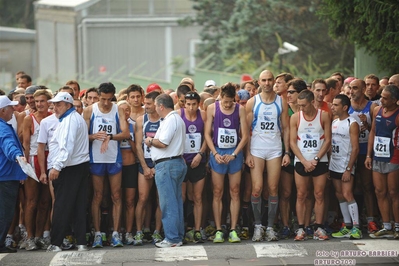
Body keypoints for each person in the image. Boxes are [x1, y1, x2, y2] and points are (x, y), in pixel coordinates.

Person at [83, 82, 130, 248]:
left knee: (116, 196)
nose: (105, 102)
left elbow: (125, 133)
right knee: (97, 196)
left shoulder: (118, 109)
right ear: (98, 95)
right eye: (102, 99)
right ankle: (97, 233)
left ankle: (115, 233)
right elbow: (83, 136)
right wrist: (94, 136)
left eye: (108, 99)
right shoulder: (89, 110)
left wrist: (110, 136)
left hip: (113, 157)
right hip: (96, 158)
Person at [245, 70, 290, 242]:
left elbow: (286, 128)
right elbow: (246, 131)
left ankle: (270, 227)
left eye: (270, 80)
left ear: (273, 81)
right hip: (257, 149)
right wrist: (247, 153)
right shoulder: (252, 102)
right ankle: (258, 226)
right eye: (263, 80)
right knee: (256, 188)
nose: (267, 83)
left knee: (273, 188)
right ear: (259, 83)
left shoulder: (281, 101)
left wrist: (287, 152)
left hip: (275, 149)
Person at [44, 92, 90, 252]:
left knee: (62, 205)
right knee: (78, 205)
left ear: (68, 105)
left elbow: (66, 147)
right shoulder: (74, 118)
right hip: (79, 166)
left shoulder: (69, 121)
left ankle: (56, 243)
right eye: (54, 104)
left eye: (58, 104)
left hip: (68, 168)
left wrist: (57, 166)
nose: (54, 107)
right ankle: (81, 242)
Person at [204, 82, 249, 244]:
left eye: (231, 101)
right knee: (217, 192)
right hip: (218, 153)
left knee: (235, 191)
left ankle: (233, 229)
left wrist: (235, 154)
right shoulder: (212, 109)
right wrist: (214, 153)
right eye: (225, 101)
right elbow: (207, 134)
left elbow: (244, 136)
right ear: (220, 97)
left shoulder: (240, 110)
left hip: (234, 154)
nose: (228, 104)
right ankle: (218, 229)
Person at [144, 93, 187, 248]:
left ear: (161, 106)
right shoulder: (176, 119)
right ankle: (177, 236)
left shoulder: (171, 120)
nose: (155, 108)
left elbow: (163, 143)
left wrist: (149, 141)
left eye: (156, 105)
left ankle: (172, 238)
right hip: (174, 163)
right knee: (175, 202)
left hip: (168, 164)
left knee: (168, 203)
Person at [290, 89, 331, 241]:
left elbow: (327, 140)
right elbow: (292, 143)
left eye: (304, 105)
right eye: (299, 105)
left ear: (312, 102)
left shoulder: (324, 116)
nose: (301, 108)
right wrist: (304, 161)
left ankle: (318, 227)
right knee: (301, 194)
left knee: (319, 194)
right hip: (302, 160)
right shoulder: (295, 117)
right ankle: (301, 228)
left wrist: (316, 159)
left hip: (319, 161)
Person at [365, 85, 399, 239]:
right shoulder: (377, 110)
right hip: (378, 156)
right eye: (382, 97)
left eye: (386, 98)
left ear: (394, 100)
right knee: (380, 192)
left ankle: (397, 226)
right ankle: (386, 226)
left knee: (393, 193)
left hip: (393, 158)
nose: (382, 100)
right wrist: (368, 155)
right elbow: (373, 131)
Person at [22, 89, 52, 251]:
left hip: (50, 160)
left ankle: (40, 236)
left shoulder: (54, 118)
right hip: (34, 160)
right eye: (37, 101)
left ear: (49, 102)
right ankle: (29, 237)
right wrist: (25, 168)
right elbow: (26, 144)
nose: (39, 104)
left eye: (42, 101)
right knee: (31, 201)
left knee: (45, 201)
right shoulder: (29, 119)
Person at [348, 79, 379, 234]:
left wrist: (366, 125)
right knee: (350, 187)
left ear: (363, 89)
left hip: (366, 151)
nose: (352, 91)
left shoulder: (372, 107)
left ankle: (371, 220)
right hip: (350, 151)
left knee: (368, 186)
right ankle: (351, 221)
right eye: (350, 88)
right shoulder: (346, 106)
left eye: (355, 88)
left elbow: (376, 130)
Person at [329, 94, 361, 239]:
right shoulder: (334, 122)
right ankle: (347, 225)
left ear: (344, 107)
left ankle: (356, 227)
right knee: (339, 194)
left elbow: (355, 148)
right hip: (334, 163)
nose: (332, 107)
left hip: (346, 164)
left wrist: (349, 168)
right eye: (333, 104)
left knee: (347, 194)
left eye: (336, 105)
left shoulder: (352, 123)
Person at [177, 91, 207, 243]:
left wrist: (200, 154)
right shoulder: (178, 114)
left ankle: (197, 229)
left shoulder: (203, 115)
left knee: (197, 197)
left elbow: (207, 137)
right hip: (183, 161)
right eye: (188, 104)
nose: (190, 107)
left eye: (194, 104)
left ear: (198, 104)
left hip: (197, 161)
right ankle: (181, 229)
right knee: (182, 198)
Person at [279, 78, 307, 239]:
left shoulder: (310, 110)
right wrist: (287, 153)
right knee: (287, 192)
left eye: (291, 92)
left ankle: (303, 224)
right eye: (287, 91)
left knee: (304, 193)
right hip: (287, 154)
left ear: (301, 94)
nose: (287, 95)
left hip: (306, 156)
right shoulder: (285, 109)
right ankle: (285, 225)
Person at [133, 91, 163, 245]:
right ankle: (139, 232)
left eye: (149, 104)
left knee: (160, 200)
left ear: (158, 105)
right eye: (146, 103)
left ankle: (157, 231)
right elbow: (138, 145)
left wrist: (158, 166)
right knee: (143, 198)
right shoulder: (141, 120)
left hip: (161, 163)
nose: (146, 106)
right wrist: (144, 167)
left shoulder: (165, 120)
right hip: (145, 162)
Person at [0, 95, 26, 253]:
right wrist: (17, 156)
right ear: (3, 110)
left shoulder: (4, 125)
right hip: (6, 177)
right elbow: (8, 144)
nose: (13, 110)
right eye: (11, 107)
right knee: (5, 212)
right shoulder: (2, 128)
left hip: (5, 175)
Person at [116, 100, 138, 245]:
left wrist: (129, 139)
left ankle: (129, 232)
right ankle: (116, 230)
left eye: (127, 110)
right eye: (121, 110)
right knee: (116, 200)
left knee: (130, 201)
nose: (124, 113)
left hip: (131, 166)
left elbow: (138, 151)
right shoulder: (114, 126)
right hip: (116, 168)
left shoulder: (134, 126)